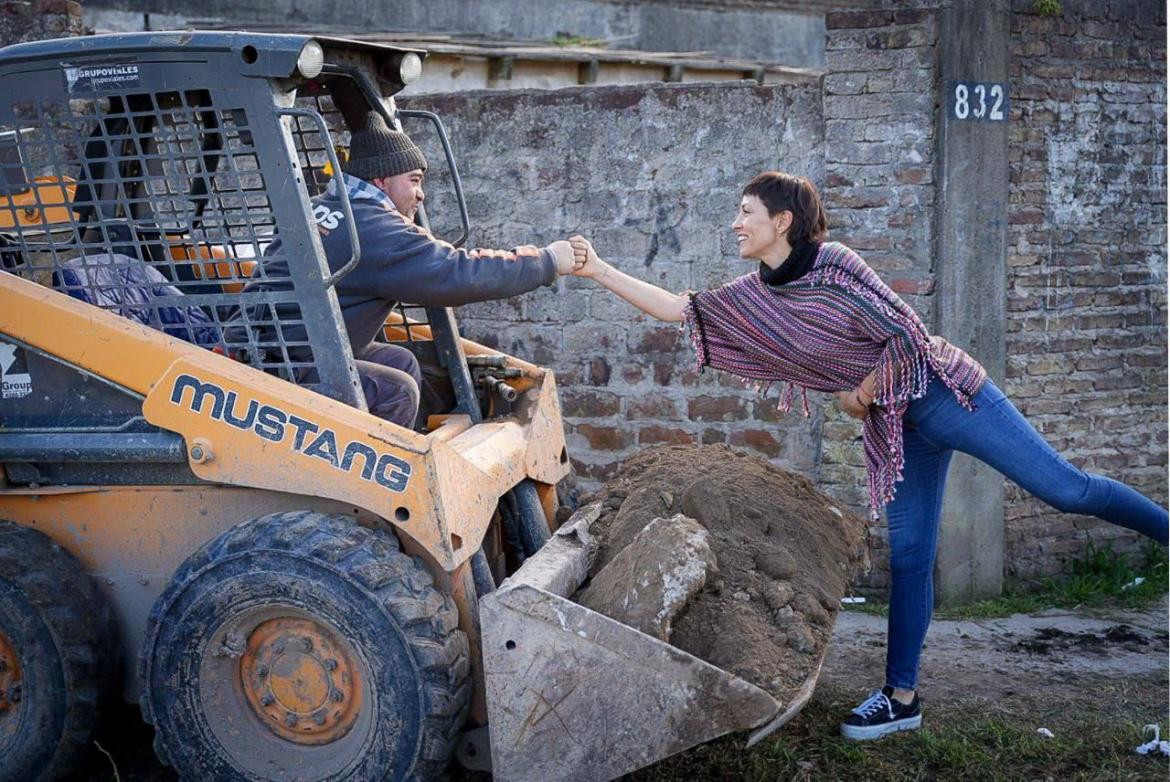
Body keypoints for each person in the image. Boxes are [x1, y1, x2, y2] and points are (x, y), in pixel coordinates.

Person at [567, 171, 1169, 741]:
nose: (735, 224)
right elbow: (681, 309)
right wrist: (597, 271)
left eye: (745, 213)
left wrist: (864, 390)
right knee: (909, 559)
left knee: (1067, 491)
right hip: (897, 429)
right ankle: (901, 699)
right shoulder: (754, 297)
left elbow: (905, 331)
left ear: (783, 221)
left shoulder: (836, 264)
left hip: (946, 392)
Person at [240, 111, 579, 427]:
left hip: (273, 345)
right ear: (382, 179)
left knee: (399, 361)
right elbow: (455, 273)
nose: (421, 195)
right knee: (396, 389)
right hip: (283, 366)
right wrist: (546, 261)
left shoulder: (320, 206)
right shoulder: (375, 230)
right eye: (414, 180)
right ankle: (374, 486)